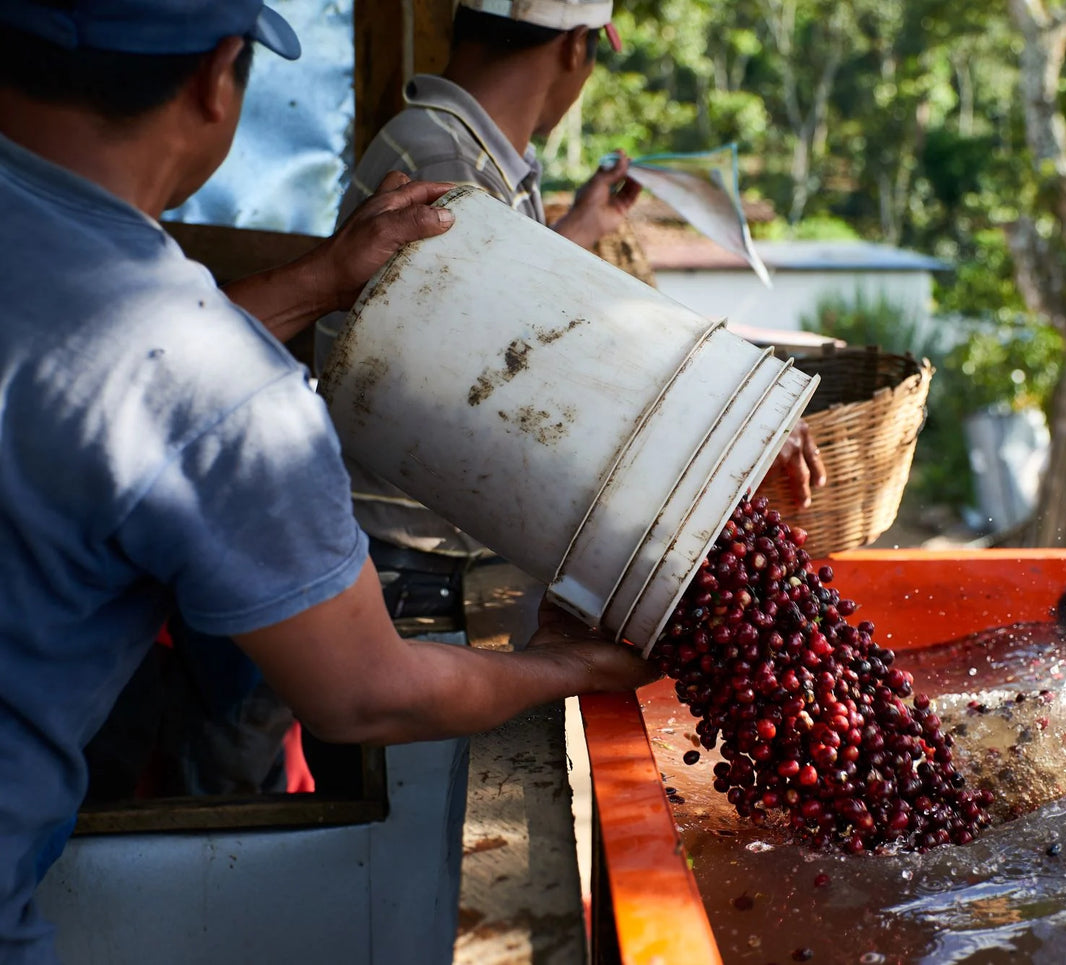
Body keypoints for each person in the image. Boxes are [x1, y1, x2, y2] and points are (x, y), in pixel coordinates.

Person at [0, 2, 656, 960]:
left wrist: (322, 279)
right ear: (216, 78)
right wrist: (582, 665)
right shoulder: (224, 395)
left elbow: (104, 374)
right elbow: (367, 695)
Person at [315, 0, 828, 639]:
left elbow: (489, 321)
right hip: (414, 568)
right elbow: (524, 369)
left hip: (419, 554)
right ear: (574, 46)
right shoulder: (447, 168)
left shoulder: (455, 147)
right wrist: (734, 424)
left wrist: (580, 228)